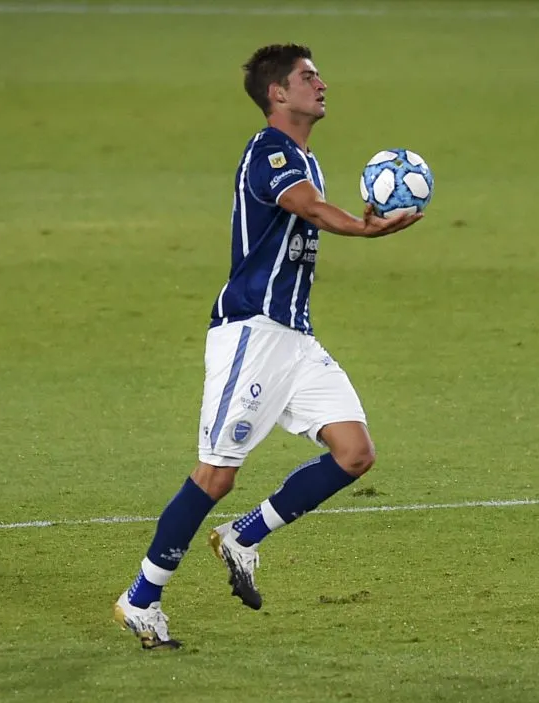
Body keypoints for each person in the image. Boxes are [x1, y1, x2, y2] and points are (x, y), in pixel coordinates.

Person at [113, 43, 423, 649]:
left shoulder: (309, 159)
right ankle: (141, 599)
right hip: (251, 333)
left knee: (355, 452)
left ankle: (244, 537)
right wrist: (362, 227)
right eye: (309, 76)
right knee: (214, 476)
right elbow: (305, 208)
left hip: (295, 339)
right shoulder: (271, 152)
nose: (321, 83)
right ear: (278, 93)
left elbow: (309, 206)